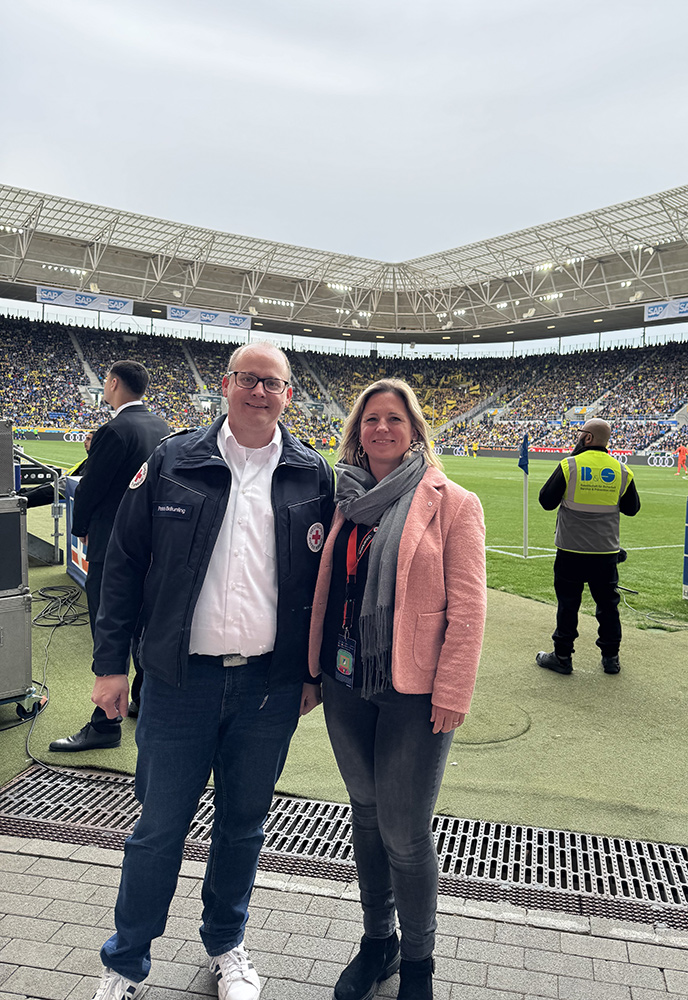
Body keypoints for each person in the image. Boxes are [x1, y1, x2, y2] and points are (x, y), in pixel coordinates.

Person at [88, 343, 334, 1000]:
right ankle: (125, 963)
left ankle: (227, 946)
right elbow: (122, 566)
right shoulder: (172, 460)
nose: (259, 392)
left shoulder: (313, 474)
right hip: (178, 682)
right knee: (158, 828)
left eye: (272, 383)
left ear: (289, 394)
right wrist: (111, 666)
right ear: (225, 386)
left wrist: (312, 672)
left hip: (269, 689)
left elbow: (328, 587)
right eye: (247, 379)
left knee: (243, 827)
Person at [308, 378, 486, 1000]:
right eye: (371, 420)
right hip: (347, 681)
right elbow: (328, 592)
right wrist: (313, 673)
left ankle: (418, 965)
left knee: (406, 834)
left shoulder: (453, 502)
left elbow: (467, 609)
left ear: (414, 431)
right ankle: (377, 941)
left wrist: (453, 691)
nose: (382, 429)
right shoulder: (343, 500)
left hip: (415, 689)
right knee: (365, 816)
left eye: (395, 419)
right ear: (357, 430)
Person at [49, 362, 170, 752]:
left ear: (114, 383)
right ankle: (139, 700)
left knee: (109, 630)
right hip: (150, 546)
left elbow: (89, 489)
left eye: (105, 380)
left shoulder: (114, 430)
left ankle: (104, 724)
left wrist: (79, 527)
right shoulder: (160, 427)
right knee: (140, 629)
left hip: (112, 546)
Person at [536, 418, 640, 676]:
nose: (578, 437)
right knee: (608, 606)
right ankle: (611, 658)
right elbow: (632, 509)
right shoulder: (622, 470)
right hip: (605, 553)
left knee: (568, 604)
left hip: (570, 551)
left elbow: (546, 501)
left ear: (588, 438)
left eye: (580, 433)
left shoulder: (570, 465)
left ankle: (562, 657)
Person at [20, 430, 93, 508]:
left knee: (27, 497)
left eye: (88, 439)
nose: (85, 442)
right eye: (85, 439)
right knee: (26, 491)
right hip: (62, 485)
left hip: (65, 489)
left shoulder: (95, 460)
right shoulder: (89, 458)